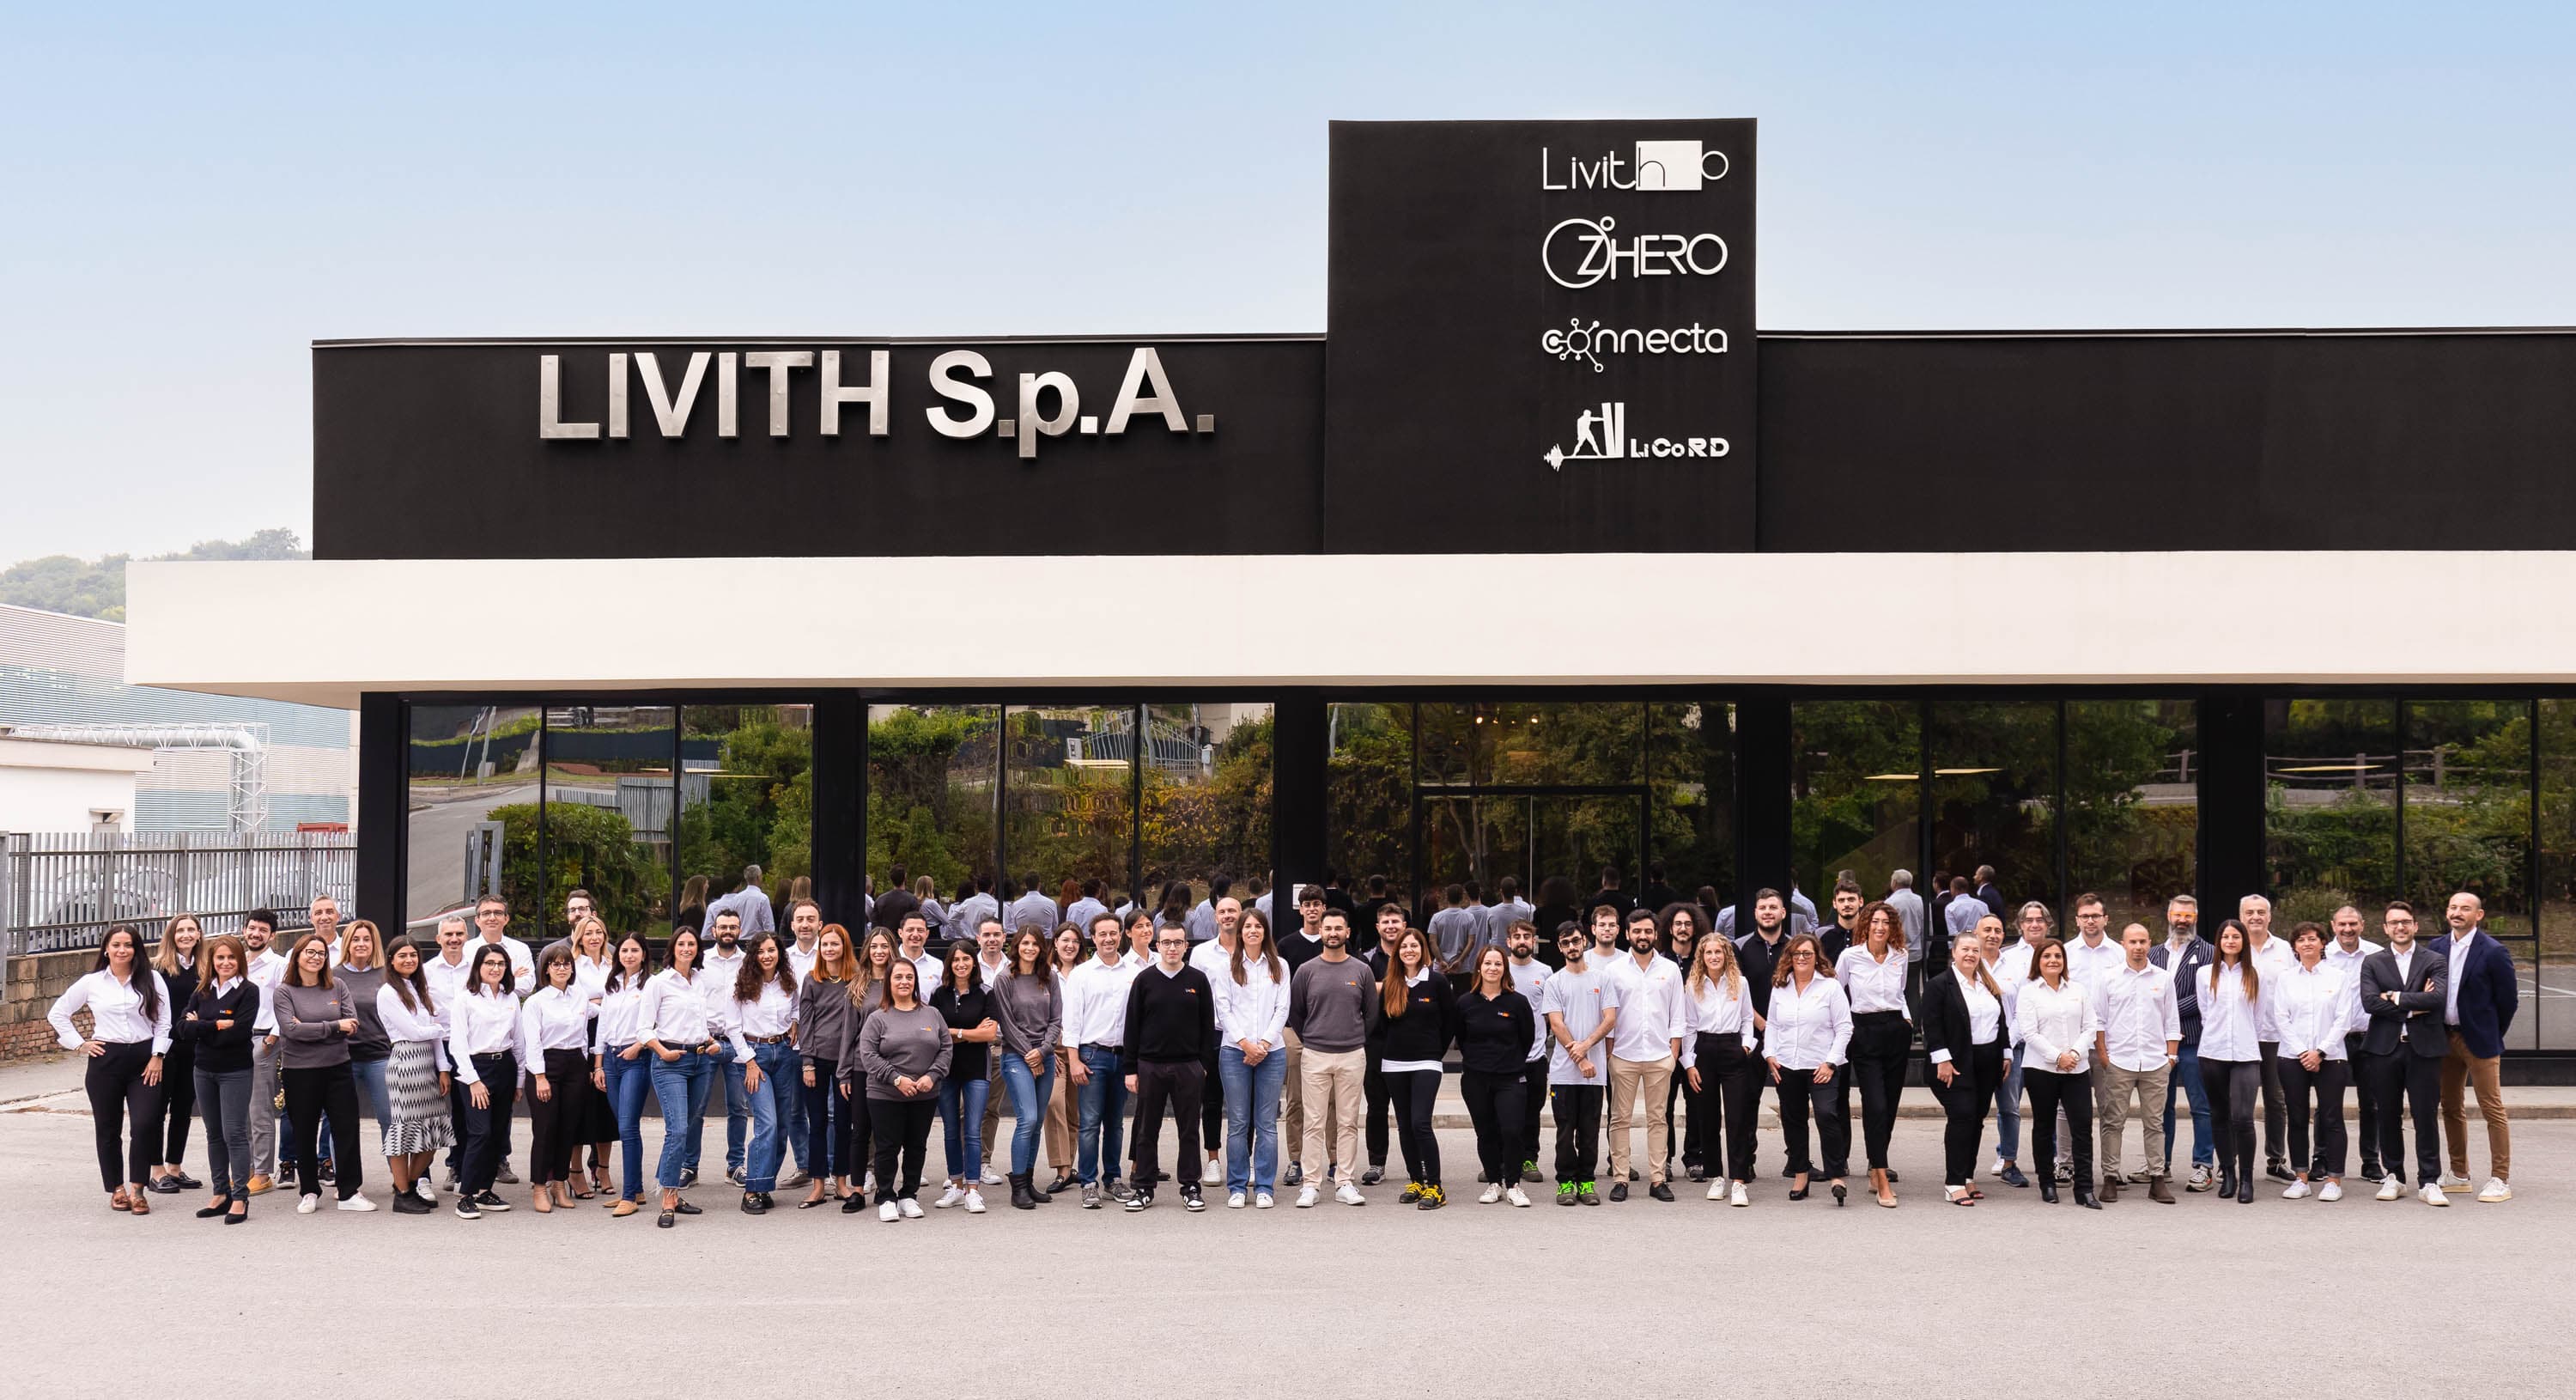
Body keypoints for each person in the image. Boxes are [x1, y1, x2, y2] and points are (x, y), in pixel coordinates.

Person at [52, 924, 173, 1214]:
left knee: (144, 1124)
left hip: (145, 1060)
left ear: (136, 949)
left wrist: (158, 1055)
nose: (122, 950)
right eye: (116, 945)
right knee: (108, 1128)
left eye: (128, 945)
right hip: (106, 1060)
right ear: (106, 949)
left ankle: (138, 1189)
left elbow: (164, 1021)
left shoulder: (152, 979)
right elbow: (58, 1013)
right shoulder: (92, 982)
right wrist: (79, 1044)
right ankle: (117, 1189)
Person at [270, 932, 370, 1214]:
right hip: (300, 1071)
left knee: (346, 1129)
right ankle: (309, 1191)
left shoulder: (337, 986)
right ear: (297, 956)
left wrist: (312, 1028)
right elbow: (291, 1030)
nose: (316, 957)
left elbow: (353, 1023)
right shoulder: (284, 992)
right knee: (304, 1131)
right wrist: (334, 1027)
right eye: (310, 952)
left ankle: (349, 1192)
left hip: (338, 1067)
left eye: (321, 953)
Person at [2358, 901, 2450, 1205]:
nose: (2400, 927)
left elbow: (2437, 999)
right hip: (2384, 1048)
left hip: (2424, 1049)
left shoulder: (2434, 960)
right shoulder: (2373, 962)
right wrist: (2413, 1006)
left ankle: (2429, 1180)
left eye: (2406, 921)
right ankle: (2394, 1176)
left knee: (2426, 1115)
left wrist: (2394, 997)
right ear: (2386, 928)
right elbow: (2370, 1002)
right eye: (2394, 922)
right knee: (2387, 1114)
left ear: (2415, 926)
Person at [1121, 923, 1217, 1213]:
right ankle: (1143, 1186)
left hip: (1188, 1066)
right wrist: (1131, 1069)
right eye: (1166, 943)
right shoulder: (1145, 980)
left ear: (1186, 945)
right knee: (1146, 1129)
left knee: (1189, 1130)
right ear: (1157, 946)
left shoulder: (1198, 980)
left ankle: (1190, 1186)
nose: (1172, 948)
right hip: (1150, 1065)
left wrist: (1203, 1065)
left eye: (1177, 942)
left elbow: (1207, 1025)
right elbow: (1132, 1026)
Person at [2429, 891, 2517, 1202]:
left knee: (2492, 1108)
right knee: (2450, 1107)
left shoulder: (2493, 951)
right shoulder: (2436, 947)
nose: (2457, 912)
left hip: (2479, 1040)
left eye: (2465, 908)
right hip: (2445, 1039)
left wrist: (2490, 1032)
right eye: (2453, 907)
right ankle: (2459, 1173)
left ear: (2478, 915)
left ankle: (2500, 1178)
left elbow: (2508, 1001)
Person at [1288, 909, 1377, 1208]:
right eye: (1328, 928)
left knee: (1347, 1122)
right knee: (1314, 1122)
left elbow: (1371, 1013)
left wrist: (1353, 1037)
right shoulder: (1306, 970)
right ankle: (1310, 1185)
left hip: (1352, 1055)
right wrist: (1314, 1038)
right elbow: (1296, 1013)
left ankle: (1344, 1182)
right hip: (1315, 1055)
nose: (1333, 933)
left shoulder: (1361, 970)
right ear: (1321, 932)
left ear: (1347, 933)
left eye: (1339, 928)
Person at [637, 928, 724, 1227]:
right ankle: (668, 1199)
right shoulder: (658, 983)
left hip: (700, 1060)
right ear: (673, 948)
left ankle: (670, 1188)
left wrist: (710, 1040)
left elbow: (700, 1021)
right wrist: (662, 1051)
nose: (687, 948)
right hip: (670, 1061)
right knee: (676, 1131)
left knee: (686, 1127)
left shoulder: (700, 981)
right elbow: (643, 1029)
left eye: (692, 944)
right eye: (681, 944)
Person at [2091, 922, 2181, 1204]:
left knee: (2155, 1123)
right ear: (2123, 944)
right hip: (2119, 1061)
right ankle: (2110, 1177)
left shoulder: (2163, 978)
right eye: (2133, 942)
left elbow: (2172, 1020)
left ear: (2150, 943)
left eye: (2143, 941)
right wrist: (2104, 1056)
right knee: (2112, 1122)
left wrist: (2171, 1057)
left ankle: (2157, 1178)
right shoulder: (2109, 978)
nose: (2138, 947)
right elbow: (2098, 1021)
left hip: (2155, 1061)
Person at [859, 959, 952, 1220]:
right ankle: (886, 1197)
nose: (904, 982)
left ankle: (909, 1195)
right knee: (887, 1147)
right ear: (889, 982)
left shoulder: (932, 1014)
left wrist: (932, 1075)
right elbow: (868, 1054)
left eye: (909, 977)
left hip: (925, 1093)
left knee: (916, 1146)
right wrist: (896, 1079)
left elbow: (946, 1048)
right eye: (898, 977)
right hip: (885, 1094)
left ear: (915, 981)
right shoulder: (878, 1017)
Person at [1602, 907, 1684, 1202]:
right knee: (1619, 1119)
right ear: (1627, 934)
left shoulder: (1670, 970)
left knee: (1658, 1119)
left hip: (1660, 1056)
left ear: (1656, 934)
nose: (1642, 936)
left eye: (1648, 931)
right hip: (1623, 1055)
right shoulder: (1613, 971)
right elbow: (1608, 1016)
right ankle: (1620, 1179)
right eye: (1637, 931)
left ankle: (1658, 1179)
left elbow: (1678, 1016)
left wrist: (1673, 1056)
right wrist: (1610, 1056)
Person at [1763, 933, 1850, 1204]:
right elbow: (1772, 1024)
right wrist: (1769, 1054)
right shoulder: (1781, 987)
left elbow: (1844, 1027)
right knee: (1793, 1120)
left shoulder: (1830, 987)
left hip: (1822, 1065)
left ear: (1816, 957)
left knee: (1827, 1115)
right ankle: (1801, 1174)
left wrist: (1831, 1062)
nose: (1801, 958)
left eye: (1807, 953)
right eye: (1797, 953)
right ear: (1789, 957)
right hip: (1787, 1065)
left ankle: (1836, 1175)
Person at [1833, 900, 1911, 1208]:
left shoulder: (1900, 956)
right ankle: (1881, 1177)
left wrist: (1906, 1020)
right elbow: (1835, 992)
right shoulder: (1850, 956)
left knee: (1889, 1105)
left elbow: (1901, 992)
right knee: (1875, 1104)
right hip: (1864, 1031)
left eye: (1886, 922)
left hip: (1895, 1030)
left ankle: (1876, 1165)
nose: (1880, 927)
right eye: (1875, 921)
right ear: (1866, 925)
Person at [1063, 913, 1141, 1208]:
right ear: (1093, 938)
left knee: (1116, 1123)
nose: (1108, 939)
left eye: (1113, 933)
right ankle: (1088, 1183)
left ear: (1121, 935)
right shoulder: (1082, 974)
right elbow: (1071, 1022)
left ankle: (1113, 1179)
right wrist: (1074, 1060)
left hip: (1124, 1056)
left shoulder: (1134, 972)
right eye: (1102, 934)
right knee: (1090, 1124)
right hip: (1092, 1056)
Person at [1212, 908, 1289, 1208]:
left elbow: (1282, 1008)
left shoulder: (1280, 965)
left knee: (1266, 1123)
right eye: (1248, 927)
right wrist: (1246, 1044)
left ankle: (1265, 1186)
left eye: (1258, 926)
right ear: (1241, 932)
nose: (1253, 931)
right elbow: (1223, 1009)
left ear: (1265, 931)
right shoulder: (1227, 967)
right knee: (1238, 1122)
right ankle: (1237, 1186)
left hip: (1272, 1052)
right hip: (1235, 1052)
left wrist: (1264, 1043)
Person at [1923, 930, 2006, 1207]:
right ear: (1954, 953)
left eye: (1975, 950)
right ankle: (1954, 1183)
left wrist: (2006, 1053)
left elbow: (2001, 1022)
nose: (1970, 954)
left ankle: (1968, 1175)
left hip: (1988, 1062)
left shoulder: (1986, 983)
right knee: (1962, 1116)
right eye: (1965, 949)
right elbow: (1931, 1025)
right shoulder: (1939, 985)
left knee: (1976, 1119)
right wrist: (1942, 1060)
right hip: (1955, 1062)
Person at [2015, 937, 2099, 1209]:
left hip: (2076, 1068)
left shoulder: (2078, 989)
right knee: (2043, 1127)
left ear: (2064, 961)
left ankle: (2084, 1188)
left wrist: (2073, 1054)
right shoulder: (2029, 992)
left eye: (2058, 956)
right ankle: (2047, 1183)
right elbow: (2029, 1033)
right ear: (2038, 961)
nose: (2053, 960)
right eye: (2047, 956)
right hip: (2041, 1069)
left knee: (2082, 1127)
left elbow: (2090, 1026)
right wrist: (2057, 1056)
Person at [1542, 920, 1623, 1205]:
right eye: (1566, 943)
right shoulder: (1554, 982)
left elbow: (1610, 1019)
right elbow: (1556, 1024)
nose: (1572, 947)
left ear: (1584, 941)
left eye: (1575, 941)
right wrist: (1580, 1060)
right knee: (1565, 1132)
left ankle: (1586, 1182)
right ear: (1559, 948)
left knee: (1589, 1132)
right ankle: (1565, 1182)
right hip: (1564, 1073)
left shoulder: (1602, 979)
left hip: (1594, 1073)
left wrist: (1586, 1048)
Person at [1376, 927, 1455, 1209]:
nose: (1409, 950)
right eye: (1404, 946)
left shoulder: (1437, 982)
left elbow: (1450, 1022)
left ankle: (1435, 1186)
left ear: (1423, 950)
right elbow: (1382, 1026)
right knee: (1405, 1126)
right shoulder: (1391, 983)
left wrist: (1435, 1052)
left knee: (1421, 1123)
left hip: (1426, 1062)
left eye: (1415, 945)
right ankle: (1416, 1181)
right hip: (1394, 1064)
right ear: (1397, 952)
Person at [1679, 928, 1759, 1206]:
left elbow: (1747, 1019)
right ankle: (1716, 1176)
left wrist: (1746, 1047)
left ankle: (1739, 1181)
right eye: (1709, 952)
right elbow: (1689, 1026)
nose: (1714, 956)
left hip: (1732, 1048)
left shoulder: (1740, 983)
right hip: (1704, 1049)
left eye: (1718, 952)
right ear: (1702, 956)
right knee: (1707, 1117)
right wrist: (1689, 1063)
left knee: (1738, 1117)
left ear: (1726, 955)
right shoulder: (1693, 985)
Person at [374, 938, 455, 1214]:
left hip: (428, 1065)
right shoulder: (388, 992)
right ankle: (403, 1193)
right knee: (404, 1132)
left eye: (413, 955)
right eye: (402, 955)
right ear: (391, 960)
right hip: (406, 1062)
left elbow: (432, 1036)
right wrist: (439, 1028)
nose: (409, 960)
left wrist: (443, 1068)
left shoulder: (420, 989)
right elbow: (414, 1032)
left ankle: (406, 1187)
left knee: (431, 1135)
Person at [721, 931, 800, 1214]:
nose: (767, 956)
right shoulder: (741, 984)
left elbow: (796, 1007)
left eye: (772, 950)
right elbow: (732, 1028)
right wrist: (750, 1062)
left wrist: (795, 1022)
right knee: (767, 1123)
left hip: (784, 1053)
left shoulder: (788, 981)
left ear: (779, 953)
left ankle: (765, 1184)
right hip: (755, 1056)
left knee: (782, 1127)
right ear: (753, 955)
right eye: (761, 951)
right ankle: (751, 1190)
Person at [2273, 922, 2351, 1202]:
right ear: (2294, 947)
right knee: (2296, 1117)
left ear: (2323, 943)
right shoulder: (2286, 979)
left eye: (2312, 939)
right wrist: (2303, 1052)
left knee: (2332, 1117)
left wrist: (2320, 1051)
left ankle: (2333, 1180)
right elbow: (2281, 1018)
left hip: (2332, 1058)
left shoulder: (2338, 977)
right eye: (2301, 939)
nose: (2307, 943)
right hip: (2292, 1057)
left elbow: (2344, 1019)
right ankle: (2301, 1178)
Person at [1454, 946, 1537, 1207]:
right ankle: (1494, 1183)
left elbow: (1527, 1038)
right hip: (1476, 1079)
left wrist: (1509, 1061)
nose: (1492, 968)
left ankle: (1513, 1185)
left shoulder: (1517, 1002)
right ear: (1479, 968)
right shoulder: (1465, 1002)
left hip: (1510, 1078)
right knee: (1485, 1132)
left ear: (1505, 969)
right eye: (1487, 963)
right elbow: (1462, 1039)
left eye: (1498, 964)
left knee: (1512, 1131)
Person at [445, 942, 524, 1219]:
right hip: (475, 1069)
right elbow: (457, 1045)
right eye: (489, 963)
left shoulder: (510, 998)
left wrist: (519, 1081)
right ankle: (465, 1194)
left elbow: (519, 1042)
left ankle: (485, 1190)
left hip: (505, 1068)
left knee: (498, 1132)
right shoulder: (465, 999)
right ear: (478, 966)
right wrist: (473, 1081)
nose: (495, 968)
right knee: (480, 1132)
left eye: (501, 964)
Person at [989, 926, 1063, 1209]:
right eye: (1025, 943)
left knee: (1037, 1121)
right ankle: (1018, 1186)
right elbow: (1006, 1023)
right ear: (1017, 946)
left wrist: (1042, 1051)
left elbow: (1056, 1019)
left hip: (1044, 1054)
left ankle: (1029, 1182)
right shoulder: (1004, 979)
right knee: (1027, 1118)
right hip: (1015, 1056)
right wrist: (1029, 1055)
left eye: (1035, 943)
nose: (1030, 948)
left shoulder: (1050, 977)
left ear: (1042, 947)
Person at [519, 941, 597, 1212]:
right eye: (556, 964)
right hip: (546, 1066)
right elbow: (532, 1043)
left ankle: (560, 1184)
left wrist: (586, 1066)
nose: (562, 968)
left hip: (575, 1064)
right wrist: (540, 1077)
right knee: (545, 1128)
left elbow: (585, 1034)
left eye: (566, 964)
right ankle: (540, 1187)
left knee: (568, 1128)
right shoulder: (535, 1002)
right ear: (546, 969)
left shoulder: (580, 996)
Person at [2198, 920, 2271, 1205]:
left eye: (2236, 936)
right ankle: (2228, 1174)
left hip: (2245, 1053)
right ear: (2219, 941)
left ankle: (2247, 1179)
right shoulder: (2205, 974)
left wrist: (2244, 1036)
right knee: (2219, 1115)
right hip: (2213, 1052)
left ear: (2243, 942)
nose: (2230, 941)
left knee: (2242, 1118)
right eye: (2225, 936)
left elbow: (2258, 1016)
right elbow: (2206, 1013)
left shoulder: (2255, 974)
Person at [829, 929, 898, 1214]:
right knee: (860, 1131)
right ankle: (857, 1190)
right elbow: (848, 1032)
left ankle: (885, 1188)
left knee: (887, 1133)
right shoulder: (858, 985)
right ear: (867, 950)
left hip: (893, 1067)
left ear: (892, 949)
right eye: (874, 946)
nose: (879, 951)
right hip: (860, 1067)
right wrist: (844, 1072)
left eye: (884, 946)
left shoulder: (900, 981)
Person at [2150, 895, 2215, 1191]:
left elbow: (2206, 997)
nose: (2182, 921)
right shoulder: (2154, 953)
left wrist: (2169, 1014)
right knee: (2160, 1107)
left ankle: (2203, 1165)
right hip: (2160, 1044)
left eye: (2188, 916)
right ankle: (2159, 1165)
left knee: (2201, 1106)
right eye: (2178, 915)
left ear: (2196, 918)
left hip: (2193, 1041)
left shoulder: (2209, 953)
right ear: (2169, 916)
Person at [928, 940, 995, 1214]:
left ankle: (973, 1190)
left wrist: (954, 1032)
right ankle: (956, 1185)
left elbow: (990, 1034)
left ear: (974, 963)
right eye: (956, 960)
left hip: (977, 1069)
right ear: (949, 964)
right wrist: (970, 1033)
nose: (961, 964)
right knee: (951, 1130)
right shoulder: (938, 995)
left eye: (966, 959)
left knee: (973, 1131)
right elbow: (934, 1034)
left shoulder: (986, 993)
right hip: (946, 1069)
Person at [140, 914, 204, 1197]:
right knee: (157, 1110)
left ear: (199, 934)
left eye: (191, 929)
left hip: (193, 1046)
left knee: (183, 1109)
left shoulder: (205, 967)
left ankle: (175, 1168)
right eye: (180, 930)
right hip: (164, 1047)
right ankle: (156, 1171)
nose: (186, 935)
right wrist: (155, 1050)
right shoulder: (157, 968)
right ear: (171, 936)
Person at [592, 931, 654, 1216]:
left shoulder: (651, 985)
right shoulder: (613, 983)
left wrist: (638, 1046)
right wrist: (599, 1065)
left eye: (635, 950)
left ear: (644, 954)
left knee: (628, 1127)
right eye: (625, 950)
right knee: (625, 1127)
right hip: (611, 1060)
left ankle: (628, 1196)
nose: (629, 955)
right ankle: (636, 1189)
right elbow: (603, 1025)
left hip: (636, 1059)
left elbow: (657, 1023)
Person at [2322, 904, 2385, 1183]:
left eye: (2353, 924)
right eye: (2342, 924)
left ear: (2362, 925)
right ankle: (2321, 1159)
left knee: (2371, 1104)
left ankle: (2370, 1162)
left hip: (2368, 1038)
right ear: (2333, 926)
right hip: (2333, 1040)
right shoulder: (2323, 954)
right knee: (2327, 1104)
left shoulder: (2377, 954)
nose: (2347, 929)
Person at [2239, 894, 2294, 1182]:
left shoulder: (2285, 950)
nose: (2256, 917)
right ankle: (2233, 1162)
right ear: (2241, 916)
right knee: (2239, 1103)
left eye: (2261, 912)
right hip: (2241, 1037)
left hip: (2276, 1037)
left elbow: (2295, 990)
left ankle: (2276, 1160)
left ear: (2270, 917)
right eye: (2250, 912)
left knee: (2276, 1100)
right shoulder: (2232, 946)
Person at [566, 916, 619, 1199]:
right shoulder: (573, 965)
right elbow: (574, 1006)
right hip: (581, 1038)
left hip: (611, 1037)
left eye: (599, 932)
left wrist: (597, 1003)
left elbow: (621, 1001)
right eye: (588, 933)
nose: (594, 937)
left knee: (605, 1109)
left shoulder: (613, 964)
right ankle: (575, 1172)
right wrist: (601, 1005)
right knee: (579, 1108)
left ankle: (602, 1169)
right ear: (579, 937)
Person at [334, 920, 393, 1170]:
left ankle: (400, 1178)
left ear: (374, 943)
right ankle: (344, 1179)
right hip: (343, 1057)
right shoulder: (333, 975)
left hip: (379, 1056)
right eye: (356, 939)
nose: (361, 944)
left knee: (389, 1119)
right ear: (347, 943)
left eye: (366, 939)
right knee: (342, 1121)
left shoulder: (386, 974)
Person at [1358, 899, 1407, 1186]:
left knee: (1409, 1111)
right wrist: (1398, 985)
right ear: (1377, 927)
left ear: (1404, 925)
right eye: (1386, 922)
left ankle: (1417, 1163)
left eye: (1395, 921)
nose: (1390, 926)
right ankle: (1377, 1164)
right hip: (1375, 1042)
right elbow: (1362, 993)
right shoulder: (1365, 960)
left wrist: (1379, 987)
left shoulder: (1415, 955)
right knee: (1377, 1108)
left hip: (1407, 1043)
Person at [1501, 920, 1552, 1186]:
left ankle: (1528, 1159)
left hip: (1535, 1058)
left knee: (1532, 1112)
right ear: (1508, 942)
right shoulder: (1499, 968)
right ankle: (1501, 1161)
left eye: (1527, 936)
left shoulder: (1545, 972)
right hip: (1504, 1058)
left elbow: (1551, 1014)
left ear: (1534, 941)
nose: (1522, 941)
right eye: (1517, 936)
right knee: (1503, 1113)